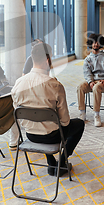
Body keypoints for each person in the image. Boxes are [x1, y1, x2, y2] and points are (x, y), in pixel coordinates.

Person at [11, 43, 85, 176]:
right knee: (79, 124)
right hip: (52, 136)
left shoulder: (18, 83)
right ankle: (61, 163)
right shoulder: (54, 85)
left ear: (32, 59)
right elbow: (65, 121)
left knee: (41, 123)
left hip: (30, 135)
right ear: (47, 60)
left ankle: (51, 163)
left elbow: (18, 115)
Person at [77, 33, 104, 127]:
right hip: (92, 81)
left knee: (97, 87)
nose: (96, 44)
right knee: (80, 87)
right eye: (93, 42)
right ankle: (82, 112)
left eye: (98, 42)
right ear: (91, 44)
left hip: (103, 83)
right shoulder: (87, 59)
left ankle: (96, 115)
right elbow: (87, 73)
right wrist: (90, 81)